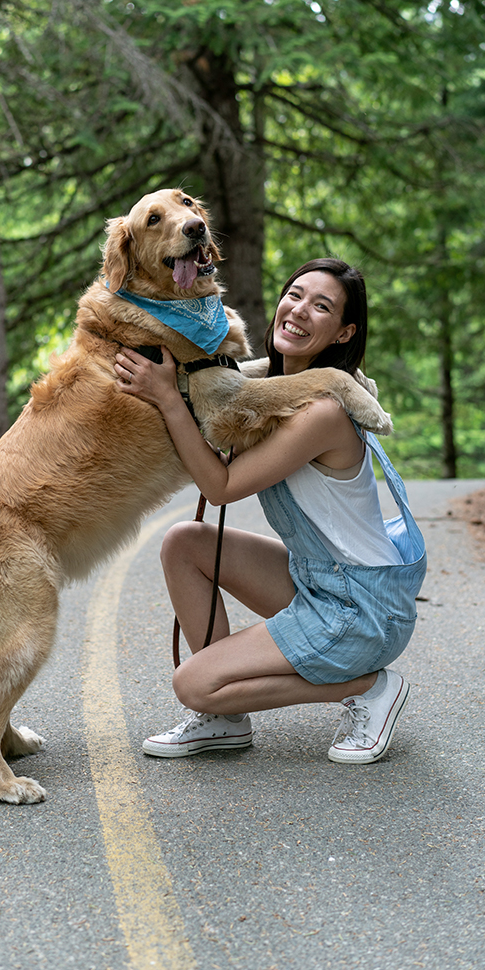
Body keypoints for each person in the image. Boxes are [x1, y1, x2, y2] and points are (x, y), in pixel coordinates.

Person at [113, 258, 426, 765]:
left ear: (344, 332)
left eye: (321, 306)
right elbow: (231, 390)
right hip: (320, 580)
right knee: (184, 543)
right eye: (295, 294)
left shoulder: (321, 413)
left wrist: (169, 398)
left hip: (360, 611)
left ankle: (368, 686)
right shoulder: (285, 390)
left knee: (193, 683)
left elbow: (220, 486)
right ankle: (224, 721)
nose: (299, 310)